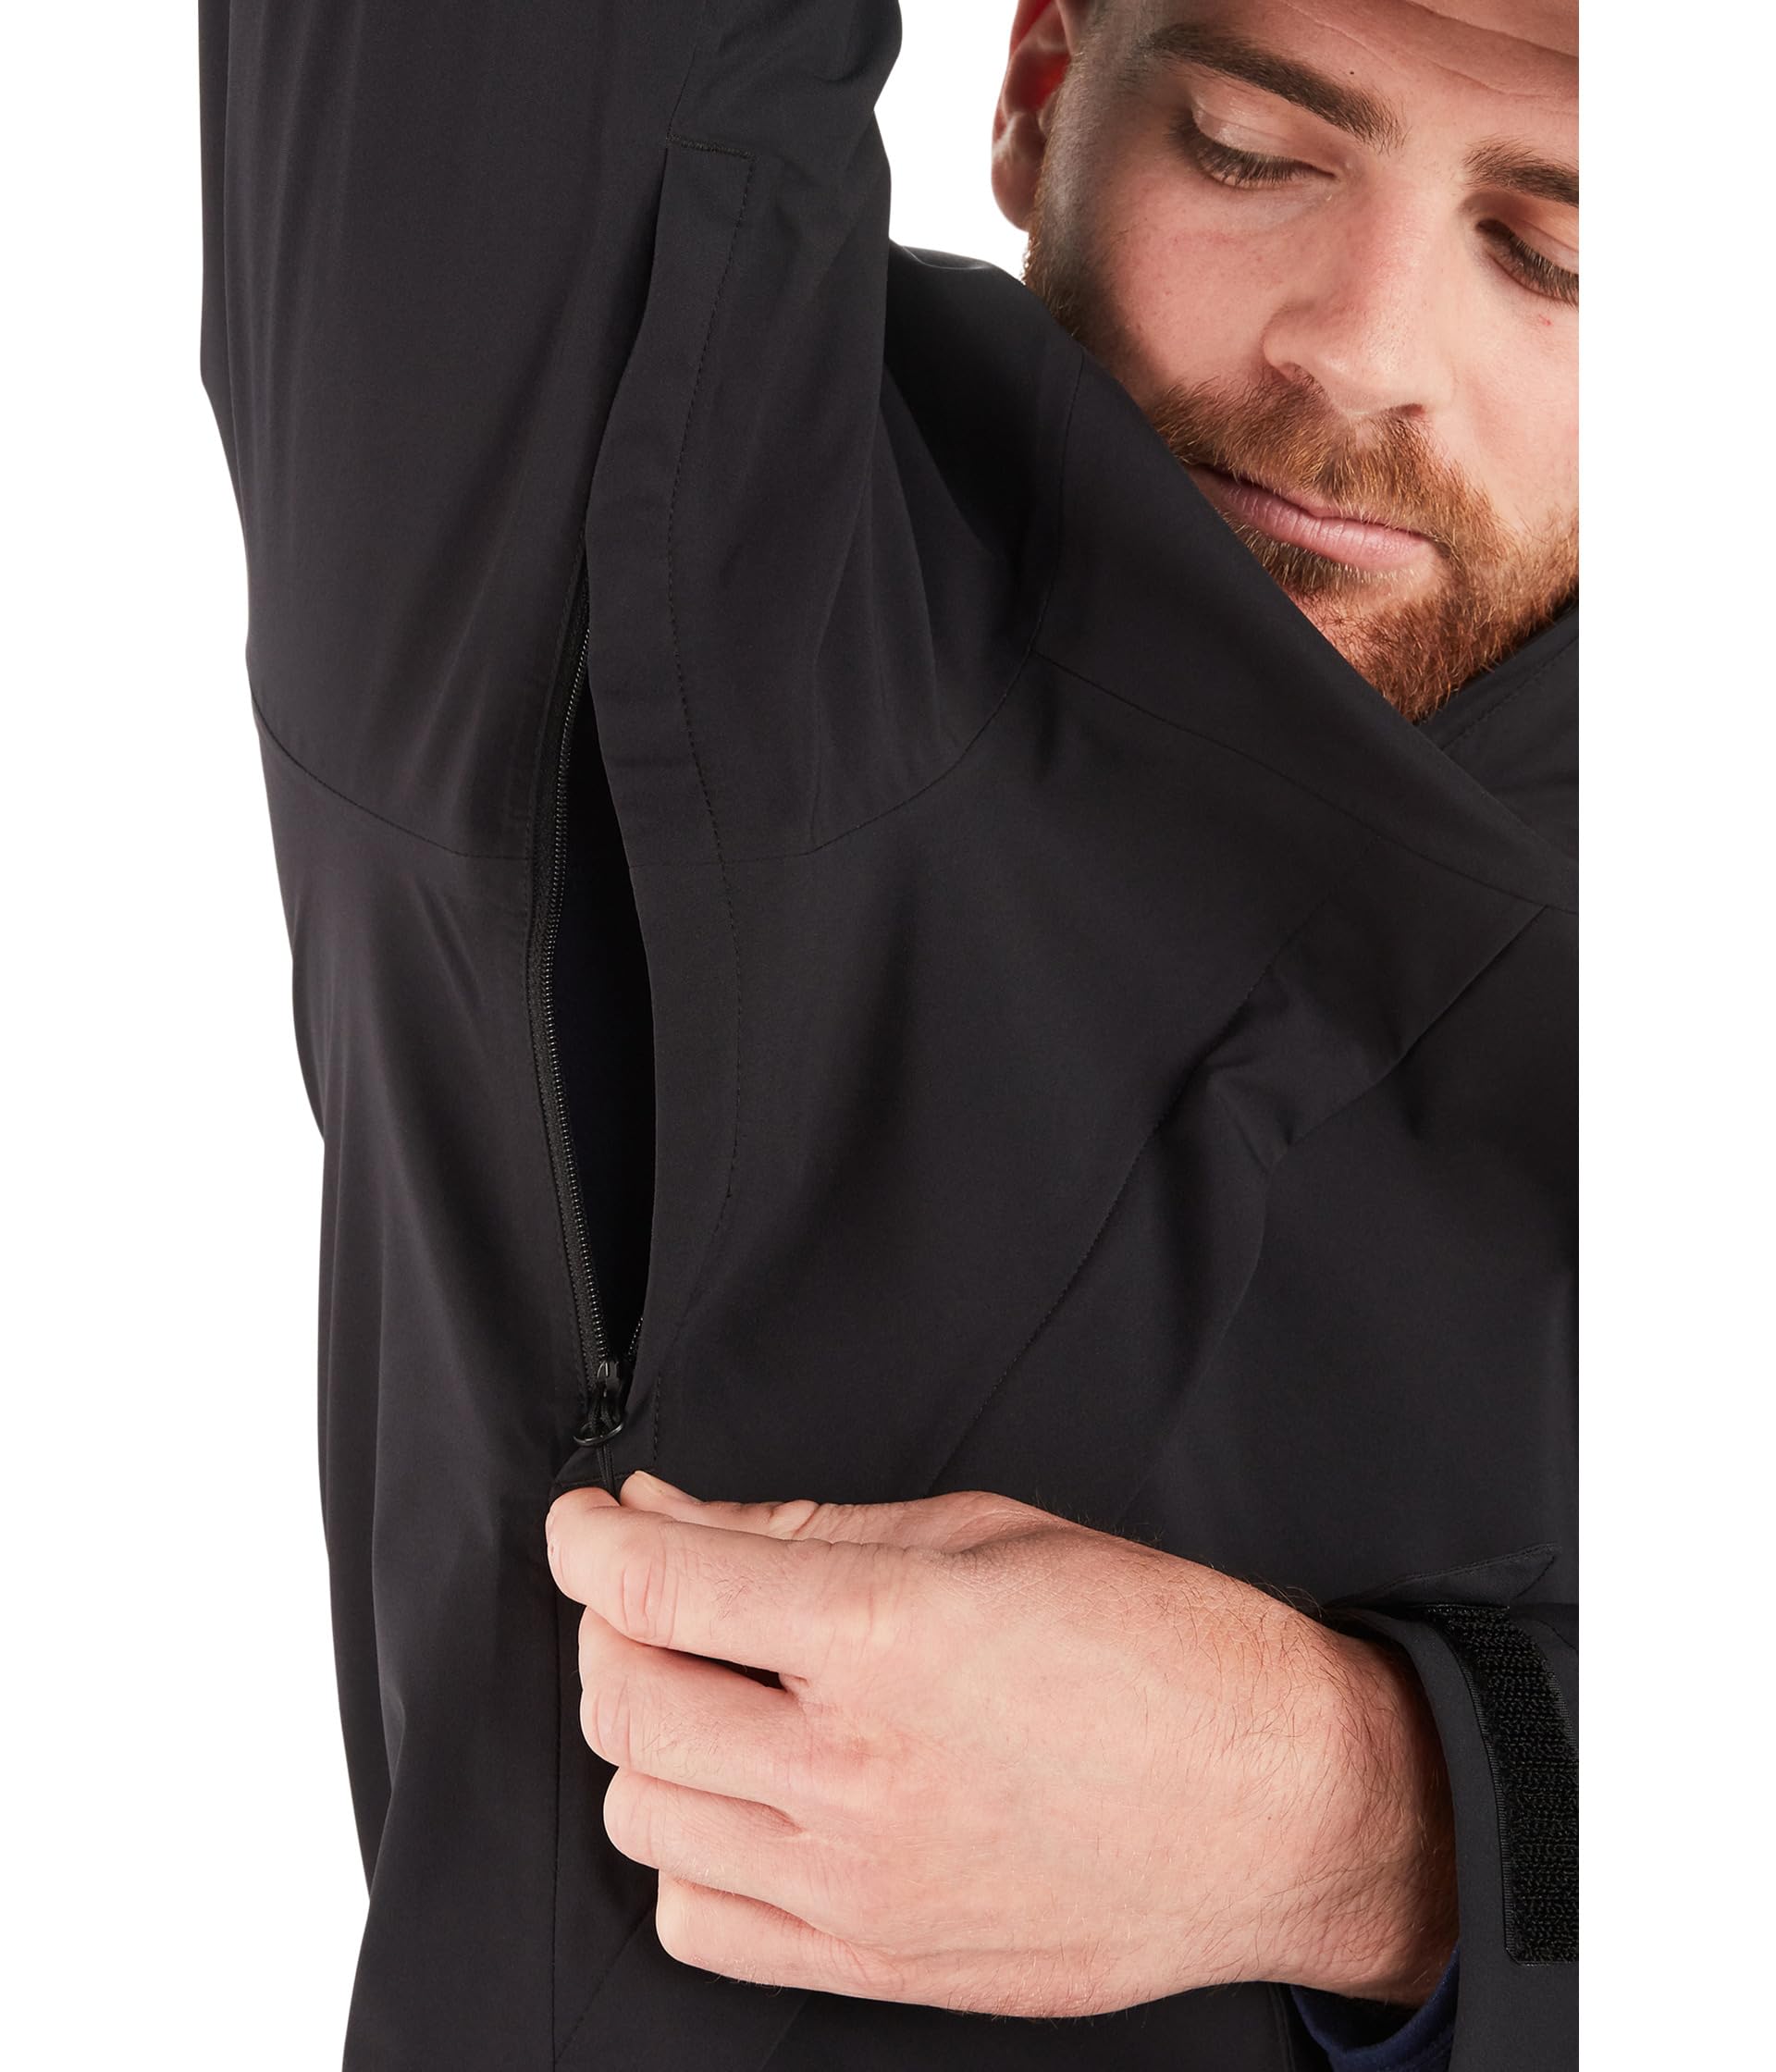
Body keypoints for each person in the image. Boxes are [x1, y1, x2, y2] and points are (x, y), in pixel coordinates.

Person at [198, 2, 1575, 2066]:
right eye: (1245, 149)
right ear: (1040, 94)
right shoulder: (691, 579)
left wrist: (1371, 1816)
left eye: (1555, 255)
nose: (1359, 349)